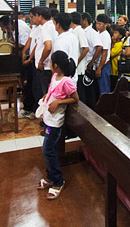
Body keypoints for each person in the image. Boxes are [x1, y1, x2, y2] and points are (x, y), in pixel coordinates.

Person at [36, 51, 79, 200]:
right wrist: (46, 97)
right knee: (50, 149)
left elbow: (75, 99)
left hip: (55, 122)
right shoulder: (55, 76)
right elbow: (51, 91)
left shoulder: (67, 81)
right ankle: (50, 176)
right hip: (48, 119)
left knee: (48, 150)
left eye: (50, 63)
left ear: (55, 65)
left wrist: (59, 102)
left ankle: (58, 181)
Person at [32, 6, 58, 101]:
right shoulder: (52, 26)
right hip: (49, 66)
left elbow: (48, 46)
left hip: (45, 66)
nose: (32, 19)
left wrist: (41, 61)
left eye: (32, 17)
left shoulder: (45, 28)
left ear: (39, 16)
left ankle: (46, 114)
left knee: (45, 94)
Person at [81, 12, 102, 108]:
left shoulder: (91, 33)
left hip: (89, 66)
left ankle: (92, 112)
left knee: (90, 92)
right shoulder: (82, 31)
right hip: (83, 65)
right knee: (84, 91)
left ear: (85, 20)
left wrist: (92, 61)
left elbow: (99, 47)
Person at [52, 13, 79, 84]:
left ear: (58, 25)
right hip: (72, 74)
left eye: (54, 23)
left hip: (63, 78)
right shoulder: (73, 37)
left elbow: (59, 62)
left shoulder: (61, 41)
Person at [69, 12, 89, 100]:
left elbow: (86, 48)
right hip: (74, 67)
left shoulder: (80, 31)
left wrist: (77, 61)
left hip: (79, 67)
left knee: (80, 92)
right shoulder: (72, 31)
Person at [95, 14, 112, 95]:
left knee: (104, 90)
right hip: (99, 65)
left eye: (100, 24)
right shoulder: (98, 33)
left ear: (105, 25)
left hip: (103, 66)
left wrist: (99, 68)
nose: (98, 26)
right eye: (97, 23)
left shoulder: (105, 35)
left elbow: (104, 53)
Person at [110, 27, 126, 91]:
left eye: (116, 33)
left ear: (120, 36)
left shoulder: (119, 44)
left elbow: (111, 54)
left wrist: (113, 43)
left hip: (115, 69)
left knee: (114, 86)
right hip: (113, 69)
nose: (114, 34)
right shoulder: (117, 43)